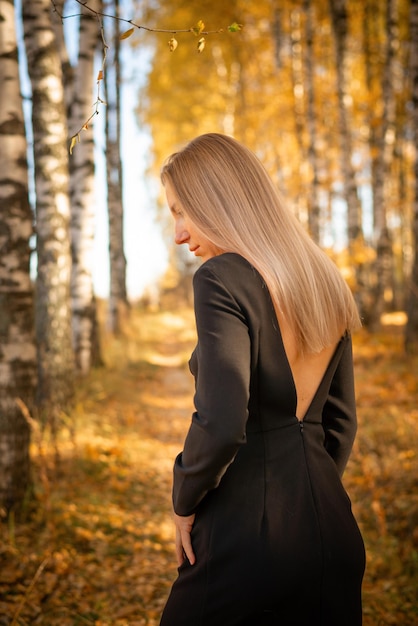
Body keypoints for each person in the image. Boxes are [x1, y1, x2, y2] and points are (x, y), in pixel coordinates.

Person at [159, 133, 365, 626]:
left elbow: (222, 420)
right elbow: (340, 424)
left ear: (219, 202)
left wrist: (183, 499)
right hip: (332, 531)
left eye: (182, 212)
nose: (179, 235)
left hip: (247, 537)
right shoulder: (322, 278)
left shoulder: (220, 277)